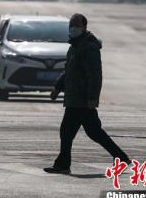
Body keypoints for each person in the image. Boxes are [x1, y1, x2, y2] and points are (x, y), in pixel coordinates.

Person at [44, 13, 130, 174]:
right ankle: (121, 158)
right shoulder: (75, 46)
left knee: (68, 131)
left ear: (84, 27)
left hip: (82, 99)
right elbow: (69, 71)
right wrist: (58, 87)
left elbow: (95, 74)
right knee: (93, 132)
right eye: (71, 25)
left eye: (76, 25)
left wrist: (92, 97)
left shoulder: (89, 47)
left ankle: (63, 164)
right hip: (74, 98)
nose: (73, 28)